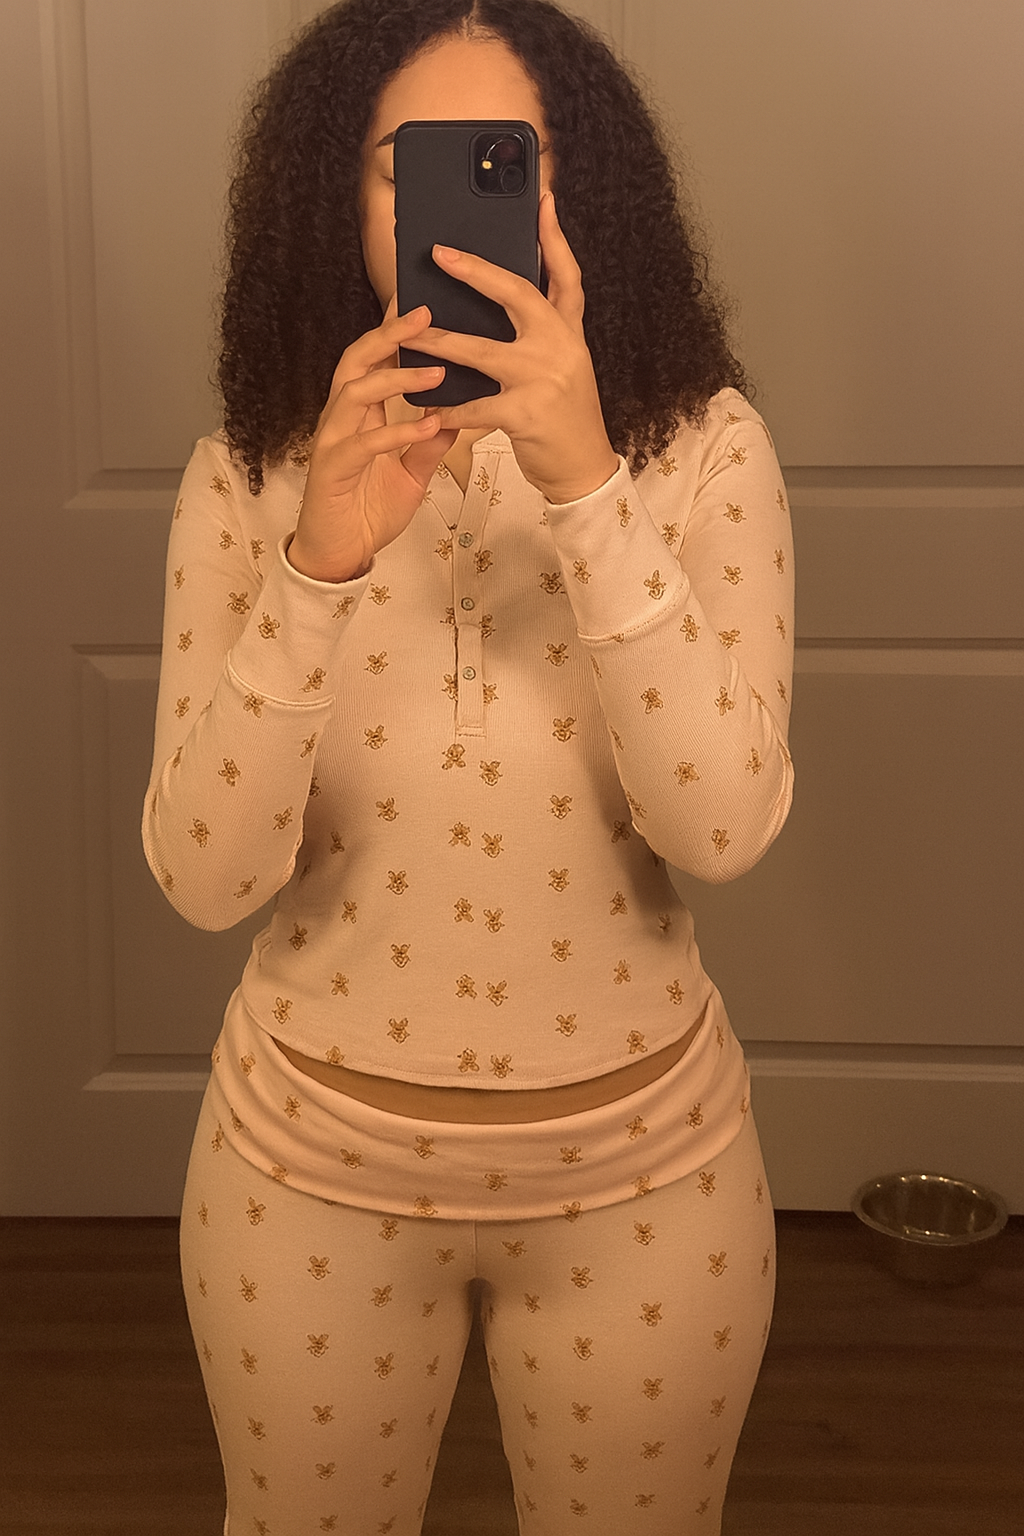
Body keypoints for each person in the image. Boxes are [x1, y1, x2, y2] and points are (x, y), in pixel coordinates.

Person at [143, 1, 794, 1531]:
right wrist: (314, 569)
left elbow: (721, 829)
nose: (459, 203)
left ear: (585, 191)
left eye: (514, 158)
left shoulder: (705, 452)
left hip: (649, 1179)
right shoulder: (252, 472)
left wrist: (590, 489)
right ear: (342, 196)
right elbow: (203, 878)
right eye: (408, 165)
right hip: (302, 1173)